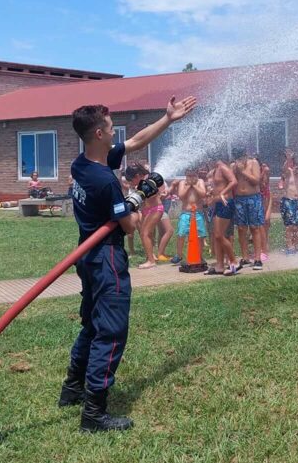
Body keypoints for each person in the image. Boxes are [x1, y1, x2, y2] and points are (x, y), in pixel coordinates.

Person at [61, 96, 196, 433]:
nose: (115, 132)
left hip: (87, 256)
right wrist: (138, 197)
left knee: (91, 325)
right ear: (98, 133)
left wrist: (168, 119)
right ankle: (94, 414)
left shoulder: (82, 164)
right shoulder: (105, 180)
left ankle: (72, 389)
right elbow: (129, 225)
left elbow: (136, 141)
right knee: (110, 331)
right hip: (106, 258)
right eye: (109, 128)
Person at [233, 148, 265, 270]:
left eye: (242, 157)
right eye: (238, 158)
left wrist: (243, 171)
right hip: (239, 199)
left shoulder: (253, 163)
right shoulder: (234, 166)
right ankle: (245, 257)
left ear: (246, 155)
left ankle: (257, 258)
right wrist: (235, 170)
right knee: (241, 228)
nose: (241, 160)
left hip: (253, 198)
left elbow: (256, 180)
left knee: (254, 227)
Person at [170, 170, 207, 265]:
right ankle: (179, 255)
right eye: (189, 175)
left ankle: (200, 256)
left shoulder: (200, 182)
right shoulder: (183, 183)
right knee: (181, 234)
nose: (191, 178)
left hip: (198, 213)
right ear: (186, 175)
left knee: (200, 236)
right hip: (186, 213)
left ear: (196, 175)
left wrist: (194, 185)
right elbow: (181, 196)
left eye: (193, 175)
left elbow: (203, 194)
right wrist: (188, 186)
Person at [209, 159, 239, 275]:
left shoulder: (223, 168)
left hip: (226, 203)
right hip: (218, 203)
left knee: (219, 235)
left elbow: (234, 181)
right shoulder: (215, 169)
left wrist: (222, 193)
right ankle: (219, 265)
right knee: (216, 237)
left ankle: (234, 262)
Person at [280, 161, 298, 255]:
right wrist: (288, 159)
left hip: (297, 202)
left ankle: (297, 245)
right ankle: (290, 246)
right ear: (294, 165)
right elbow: (284, 169)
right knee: (290, 225)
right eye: (296, 167)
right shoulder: (289, 172)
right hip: (288, 201)